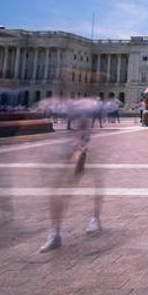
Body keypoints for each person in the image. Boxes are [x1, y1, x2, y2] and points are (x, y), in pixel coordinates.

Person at [38, 98, 104, 252]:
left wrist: (81, 151)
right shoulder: (64, 103)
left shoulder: (90, 105)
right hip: (68, 148)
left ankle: (95, 217)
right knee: (60, 188)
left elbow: (87, 130)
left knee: (94, 183)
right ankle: (55, 232)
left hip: (86, 148)